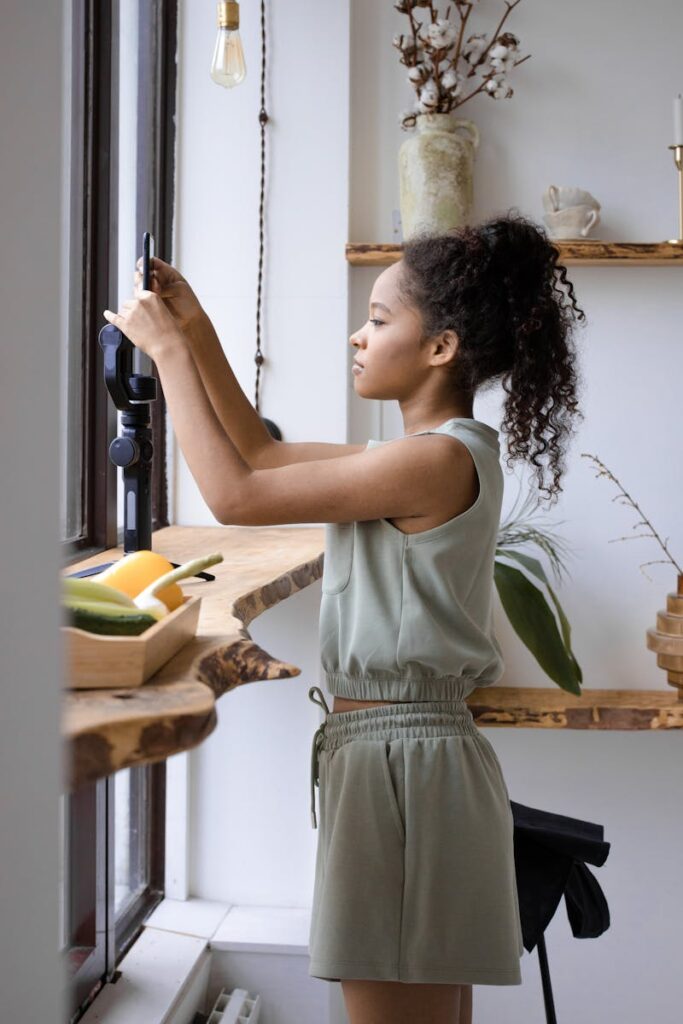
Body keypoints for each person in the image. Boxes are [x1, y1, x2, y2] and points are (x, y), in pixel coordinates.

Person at [104, 209, 585, 1024]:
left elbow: (234, 495)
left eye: (377, 319)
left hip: (403, 767)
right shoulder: (423, 456)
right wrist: (201, 331)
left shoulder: (432, 461)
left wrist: (170, 353)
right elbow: (256, 453)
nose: (357, 338)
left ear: (440, 348)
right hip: (398, 762)